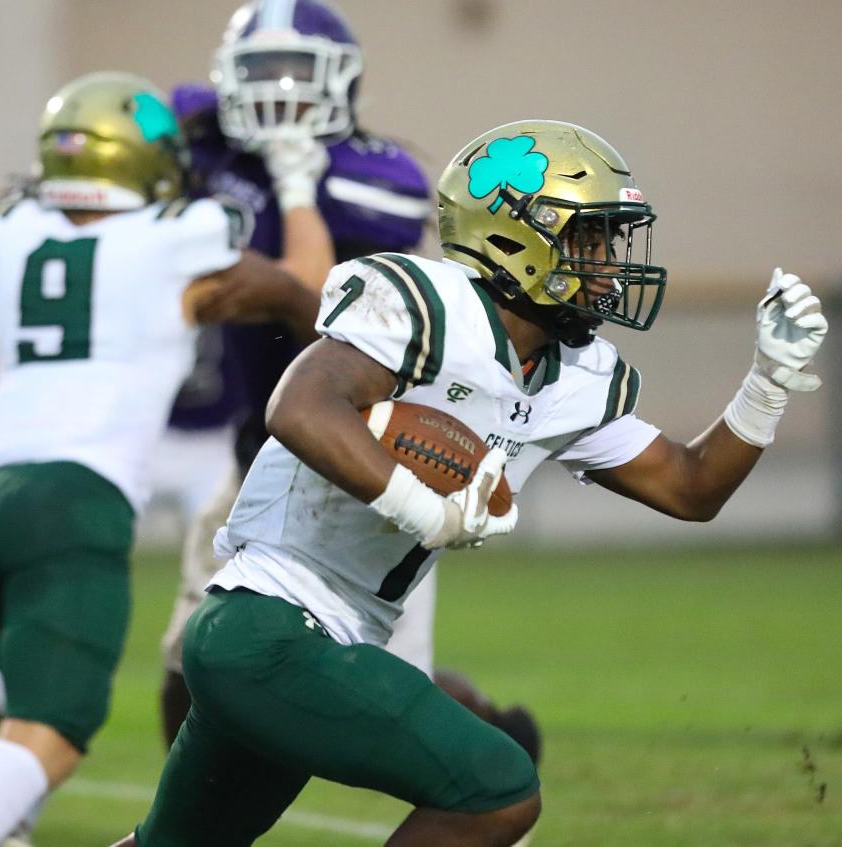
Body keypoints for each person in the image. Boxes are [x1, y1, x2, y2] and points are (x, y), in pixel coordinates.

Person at [109, 118, 827, 847]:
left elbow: (690, 487)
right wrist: (425, 507)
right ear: (515, 236)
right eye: (589, 240)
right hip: (269, 625)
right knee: (496, 789)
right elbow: (298, 406)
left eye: (612, 241)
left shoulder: (575, 373)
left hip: (311, 634)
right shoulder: (429, 302)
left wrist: (766, 385)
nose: (610, 265)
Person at [0, 69, 333, 847]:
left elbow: (30, 205)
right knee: (49, 737)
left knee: (20, 726)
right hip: (72, 504)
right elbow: (304, 285)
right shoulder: (182, 232)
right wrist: (296, 183)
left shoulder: (4, 221)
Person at [157, 0, 541, 766]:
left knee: (392, 686)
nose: (278, 92)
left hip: (365, 445)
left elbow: (343, 322)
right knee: (192, 658)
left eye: (297, 72)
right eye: (259, 71)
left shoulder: (378, 177)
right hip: (259, 443)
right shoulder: (216, 148)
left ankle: (495, 740)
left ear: (342, 81)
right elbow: (170, 109)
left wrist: (290, 217)